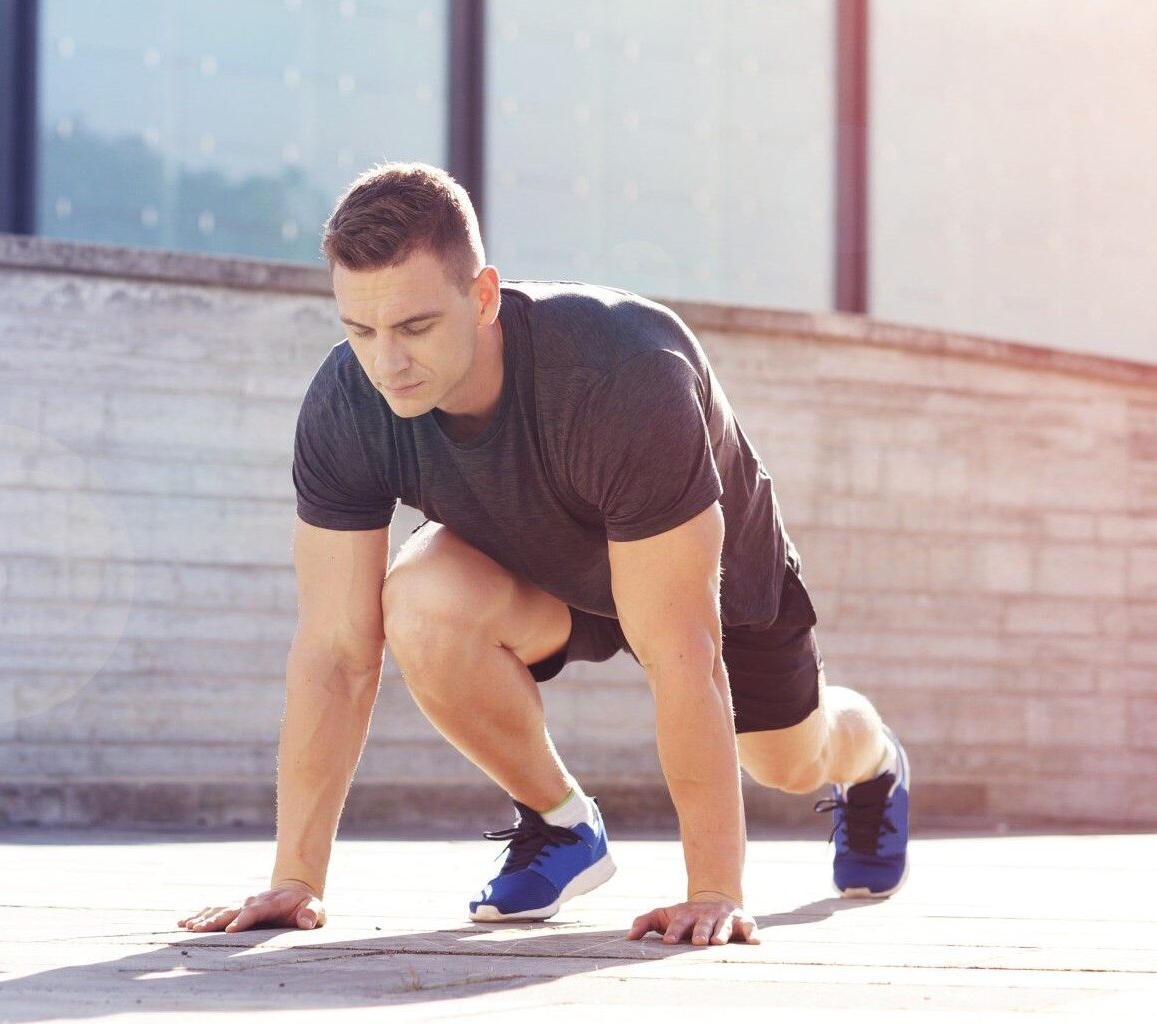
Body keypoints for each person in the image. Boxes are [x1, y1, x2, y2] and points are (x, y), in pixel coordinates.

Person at [179, 161, 908, 947]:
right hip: (542, 577)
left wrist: (713, 890)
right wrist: (296, 879)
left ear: (483, 296)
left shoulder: (621, 376)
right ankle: (561, 825)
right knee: (419, 603)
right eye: (361, 330)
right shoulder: (350, 402)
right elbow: (334, 651)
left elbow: (684, 654)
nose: (387, 363)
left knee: (790, 761)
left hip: (713, 594)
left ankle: (875, 760)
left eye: (416, 327)